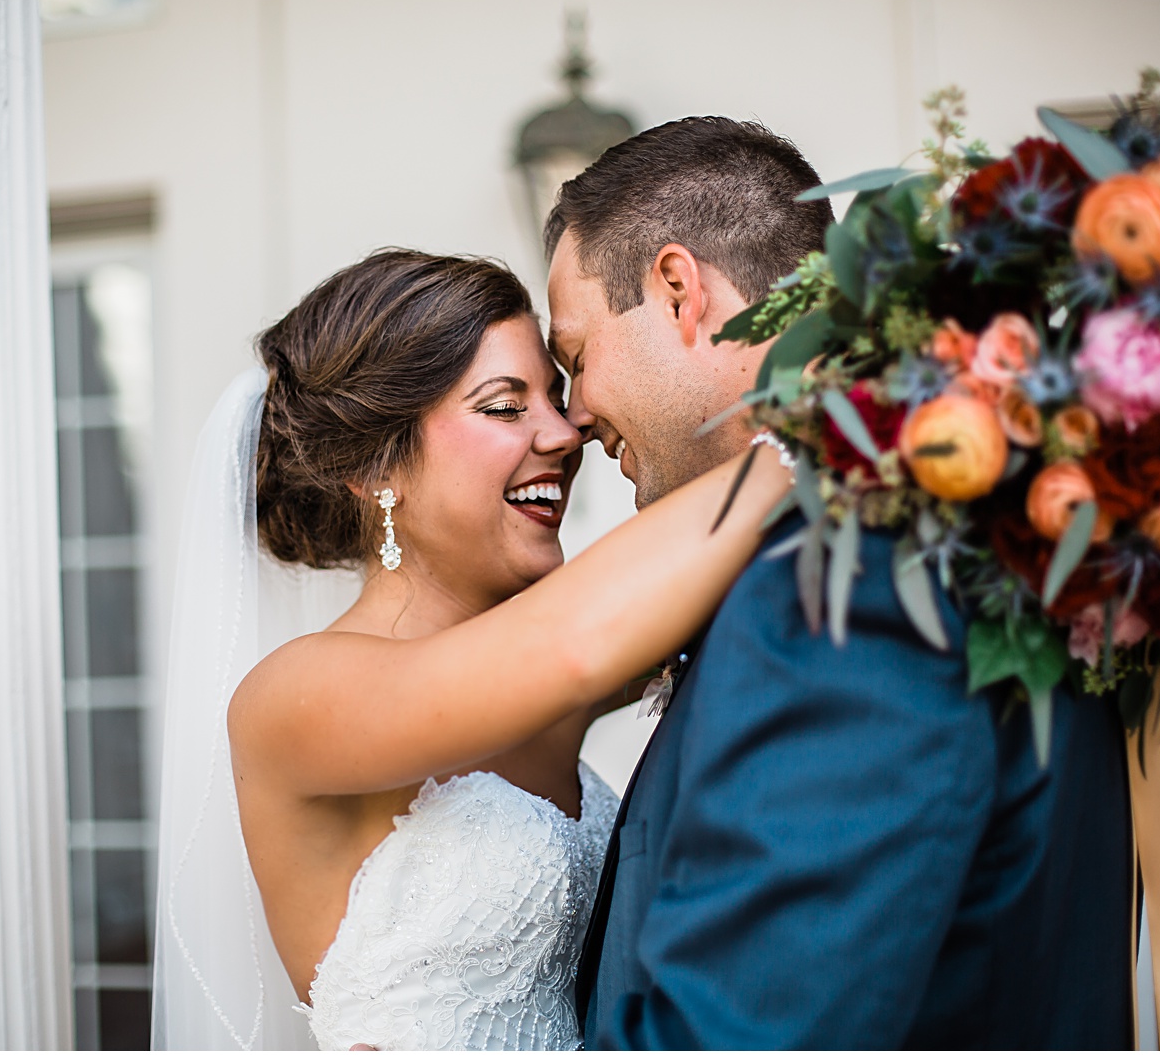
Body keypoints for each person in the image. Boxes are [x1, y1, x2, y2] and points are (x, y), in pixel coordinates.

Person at [546, 116, 1134, 1048]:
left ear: (676, 291)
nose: (573, 417)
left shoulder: (852, 583)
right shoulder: (939, 532)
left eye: (575, 359)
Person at [151, 249, 794, 1050]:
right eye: (504, 406)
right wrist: (820, 430)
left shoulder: (553, 654)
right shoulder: (290, 697)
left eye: (558, 400)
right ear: (376, 465)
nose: (565, 434)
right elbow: (575, 646)